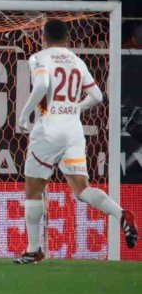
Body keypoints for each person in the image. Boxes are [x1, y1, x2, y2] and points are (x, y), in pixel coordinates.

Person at [15, 19, 137, 263]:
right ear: (67, 38)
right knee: (81, 188)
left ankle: (33, 249)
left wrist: (24, 113)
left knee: (33, 190)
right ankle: (121, 213)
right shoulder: (76, 60)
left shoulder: (39, 57)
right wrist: (72, 109)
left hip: (48, 130)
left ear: (43, 37)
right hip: (73, 131)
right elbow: (97, 96)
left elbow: (43, 83)